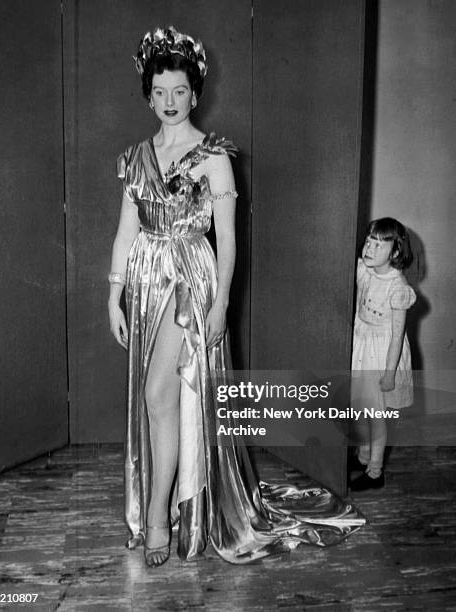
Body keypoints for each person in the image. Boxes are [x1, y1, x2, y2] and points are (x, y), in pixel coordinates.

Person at [109, 25, 364, 567]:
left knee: (161, 394)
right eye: (159, 92)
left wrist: (221, 301)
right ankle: (176, 504)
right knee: (163, 400)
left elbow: (226, 238)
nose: (169, 102)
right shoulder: (137, 157)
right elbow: (125, 231)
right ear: (148, 95)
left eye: (179, 91)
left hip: (191, 283)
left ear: (194, 94)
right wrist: (114, 296)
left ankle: (159, 517)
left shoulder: (213, 155)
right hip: (148, 282)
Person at [350, 218, 416, 491]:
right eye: (369, 241)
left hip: (381, 355)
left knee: (376, 415)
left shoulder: (397, 287)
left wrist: (389, 373)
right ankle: (364, 456)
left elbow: (397, 336)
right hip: (361, 345)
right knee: (361, 408)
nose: (369, 248)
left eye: (379, 245)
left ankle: (375, 472)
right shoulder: (366, 271)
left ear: (396, 252)